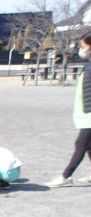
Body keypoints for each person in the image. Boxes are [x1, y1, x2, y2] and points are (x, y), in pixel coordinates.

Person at [46, 33, 91, 187]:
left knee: (81, 144)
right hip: (86, 111)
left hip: (90, 114)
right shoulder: (89, 64)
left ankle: (66, 176)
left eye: (83, 46)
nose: (81, 50)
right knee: (88, 145)